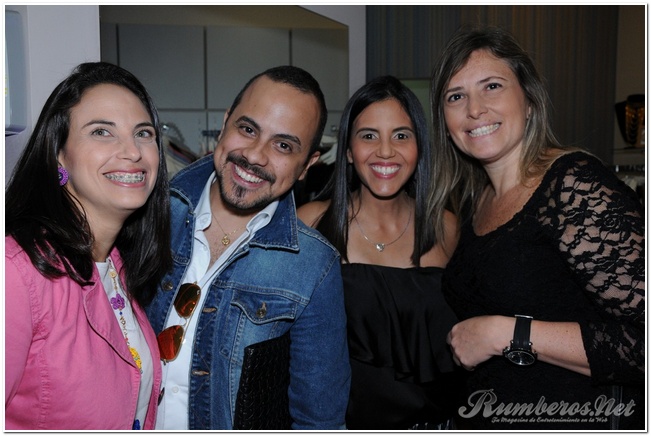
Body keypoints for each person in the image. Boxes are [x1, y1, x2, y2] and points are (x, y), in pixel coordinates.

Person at [428, 25, 645, 430]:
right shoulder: (475, 202)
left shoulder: (573, 184)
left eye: (492, 86)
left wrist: (507, 333)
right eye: (455, 96)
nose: (474, 109)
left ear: (528, 100)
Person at [145, 65, 351, 430]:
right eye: (248, 129)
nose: (255, 156)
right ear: (226, 123)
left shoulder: (312, 267)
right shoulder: (148, 214)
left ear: (307, 165)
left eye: (283, 145)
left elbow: (318, 421)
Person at [5, 62, 171, 430]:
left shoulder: (117, 267)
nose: (132, 151)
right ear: (59, 155)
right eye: (101, 132)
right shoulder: (14, 272)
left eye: (143, 133)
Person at [298, 75, 461, 430]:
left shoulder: (446, 227)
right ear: (348, 151)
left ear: (420, 148)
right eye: (369, 136)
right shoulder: (310, 223)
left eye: (401, 136)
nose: (385, 151)